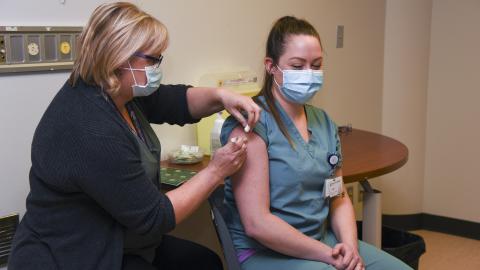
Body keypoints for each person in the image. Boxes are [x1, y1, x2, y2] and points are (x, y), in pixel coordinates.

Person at [8, 2, 261, 270]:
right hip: (73, 254)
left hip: (120, 236)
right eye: (153, 59)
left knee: (205, 262)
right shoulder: (90, 127)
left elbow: (176, 101)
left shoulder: (118, 91)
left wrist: (222, 96)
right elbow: (156, 216)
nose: (158, 66)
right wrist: (216, 171)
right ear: (119, 58)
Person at [220, 16, 413, 270]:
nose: (308, 75)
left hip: (323, 240)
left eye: (316, 65)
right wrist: (329, 256)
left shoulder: (323, 122)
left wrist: (351, 250)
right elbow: (258, 224)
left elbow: (338, 196)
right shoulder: (252, 123)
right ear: (271, 66)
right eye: (297, 66)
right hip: (266, 251)